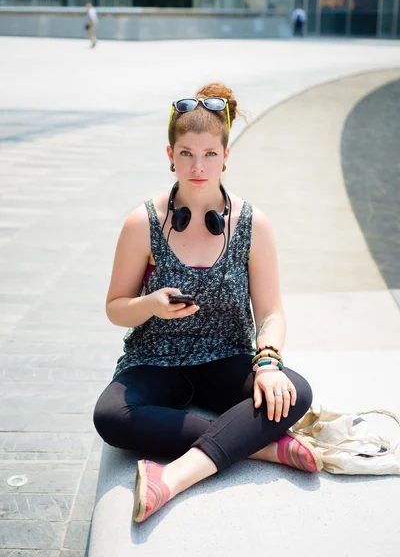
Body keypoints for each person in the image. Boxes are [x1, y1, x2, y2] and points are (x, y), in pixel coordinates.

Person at [93, 82, 321, 525]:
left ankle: (173, 478)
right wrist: (151, 304)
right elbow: (116, 306)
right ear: (170, 155)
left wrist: (268, 363)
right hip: (153, 359)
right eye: (186, 154)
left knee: (296, 392)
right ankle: (261, 445)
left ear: (226, 156)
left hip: (227, 359)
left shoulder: (255, 224)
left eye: (210, 154)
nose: (198, 166)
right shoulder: (142, 223)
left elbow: (271, 312)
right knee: (110, 416)